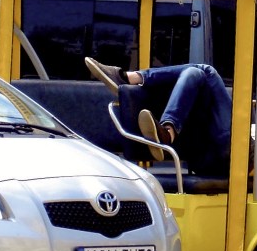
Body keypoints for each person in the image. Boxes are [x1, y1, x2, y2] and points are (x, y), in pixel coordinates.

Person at [85, 57, 231, 174]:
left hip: (236, 156)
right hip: (205, 156)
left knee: (206, 70)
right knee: (195, 73)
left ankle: (129, 77)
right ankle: (167, 134)